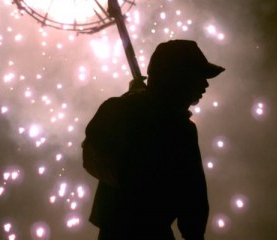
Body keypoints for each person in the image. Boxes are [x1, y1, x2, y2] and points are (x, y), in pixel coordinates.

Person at [82, 39, 224, 240]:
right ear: (177, 78)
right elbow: (193, 200)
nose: (205, 84)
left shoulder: (121, 110)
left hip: (115, 231)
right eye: (198, 75)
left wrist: (133, 99)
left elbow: (95, 156)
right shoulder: (179, 128)